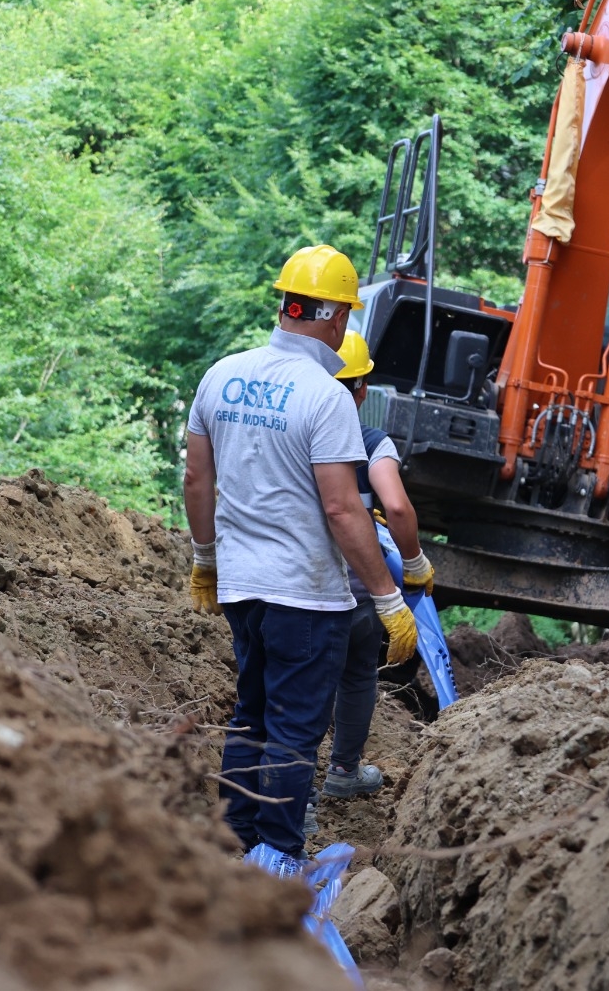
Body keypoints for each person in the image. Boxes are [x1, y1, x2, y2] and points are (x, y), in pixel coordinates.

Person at [181, 246, 419, 875]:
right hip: (306, 599)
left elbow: (197, 483)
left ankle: (231, 842)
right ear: (337, 317)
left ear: (285, 305)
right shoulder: (327, 396)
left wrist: (206, 560)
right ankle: (278, 858)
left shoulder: (221, 375)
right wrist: (390, 602)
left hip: (240, 587)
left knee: (250, 715)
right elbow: (344, 512)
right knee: (291, 731)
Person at [321, 330, 436, 800]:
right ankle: (344, 771)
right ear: (362, 388)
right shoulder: (371, 442)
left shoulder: (298, 435)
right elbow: (400, 509)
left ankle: (296, 800)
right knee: (357, 676)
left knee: (300, 688)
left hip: (299, 586)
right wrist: (414, 563)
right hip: (361, 591)